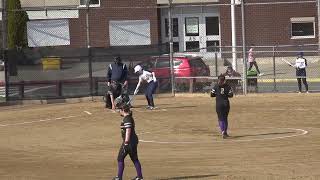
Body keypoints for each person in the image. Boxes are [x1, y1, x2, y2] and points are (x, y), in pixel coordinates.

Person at [113, 104, 143, 180]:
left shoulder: (127, 119)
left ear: (123, 110)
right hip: (133, 141)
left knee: (120, 158)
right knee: (135, 159)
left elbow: (128, 130)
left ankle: (119, 177)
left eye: (120, 110)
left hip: (129, 142)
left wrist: (126, 142)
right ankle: (140, 177)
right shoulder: (128, 117)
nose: (119, 112)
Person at [211, 74, 233, 139]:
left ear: (218, 79)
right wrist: (225, 95)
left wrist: (218, 94)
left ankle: (223, 131)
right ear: (224, 80)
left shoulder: (216, 86)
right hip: (226, 104)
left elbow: (212, 94)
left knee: (220, 119)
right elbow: (231, 95)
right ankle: (225, 132)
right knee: (225, 118)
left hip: (219, 104)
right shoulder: (228, 86)